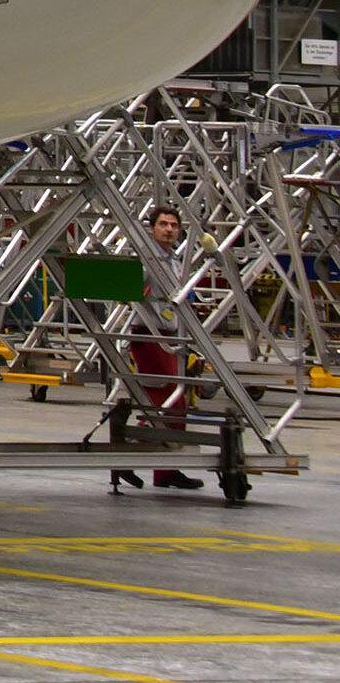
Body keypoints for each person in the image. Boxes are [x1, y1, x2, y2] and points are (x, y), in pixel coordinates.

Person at [112, 205, 202, 492]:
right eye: (163, 224)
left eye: (174, 225)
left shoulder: (175, 261)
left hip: (170, 337)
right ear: (152, 228)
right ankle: (132, 456)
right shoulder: (148, 260)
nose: (169, 229)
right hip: (149, 336)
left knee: (170, 405)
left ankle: (165, 469)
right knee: (169, 404)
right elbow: (129, 291)